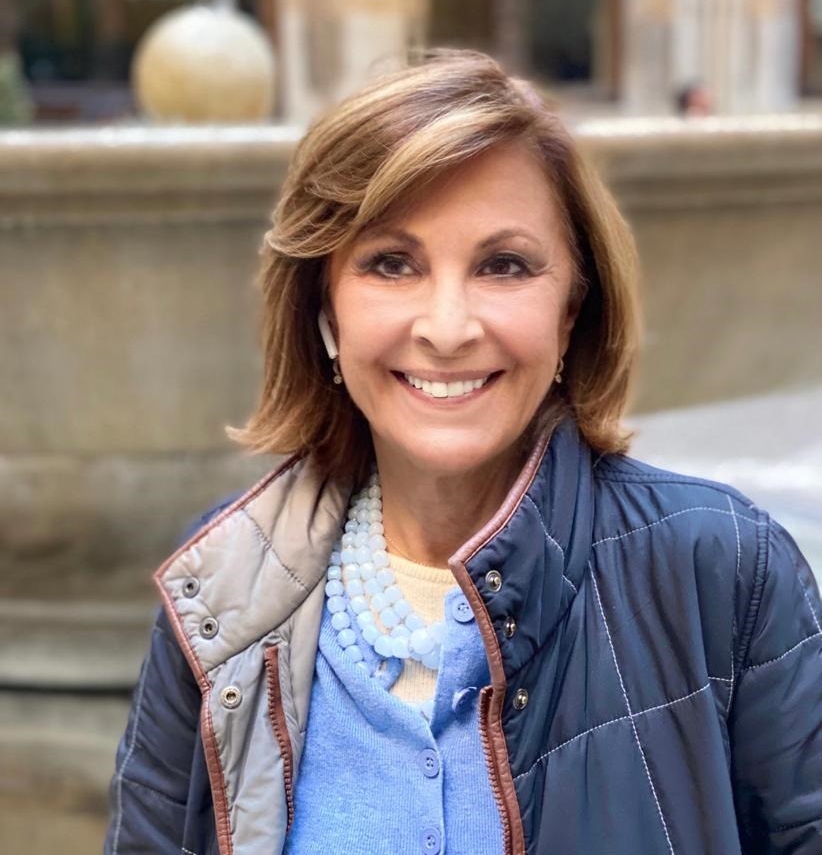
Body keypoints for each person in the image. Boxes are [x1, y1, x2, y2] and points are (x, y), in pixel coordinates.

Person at [105, 51, 821, 855]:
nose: (447, 329)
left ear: (572, 309)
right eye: (391, 264)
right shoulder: (224, 585)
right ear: (325, 311)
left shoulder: (723, 569)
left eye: (503, 266)